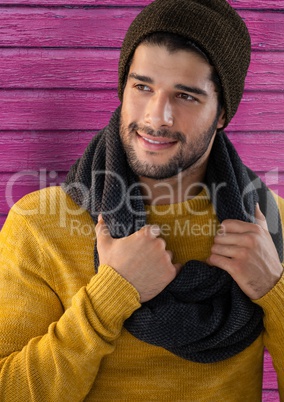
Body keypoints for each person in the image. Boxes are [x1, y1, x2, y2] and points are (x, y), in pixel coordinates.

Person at [0, 0, 283, 400]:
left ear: (222, 113)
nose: (157, 117)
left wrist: (274, 290)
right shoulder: (40, 224)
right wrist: (110, 296)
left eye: (186, 96)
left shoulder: (269, 225)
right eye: (143, 87)